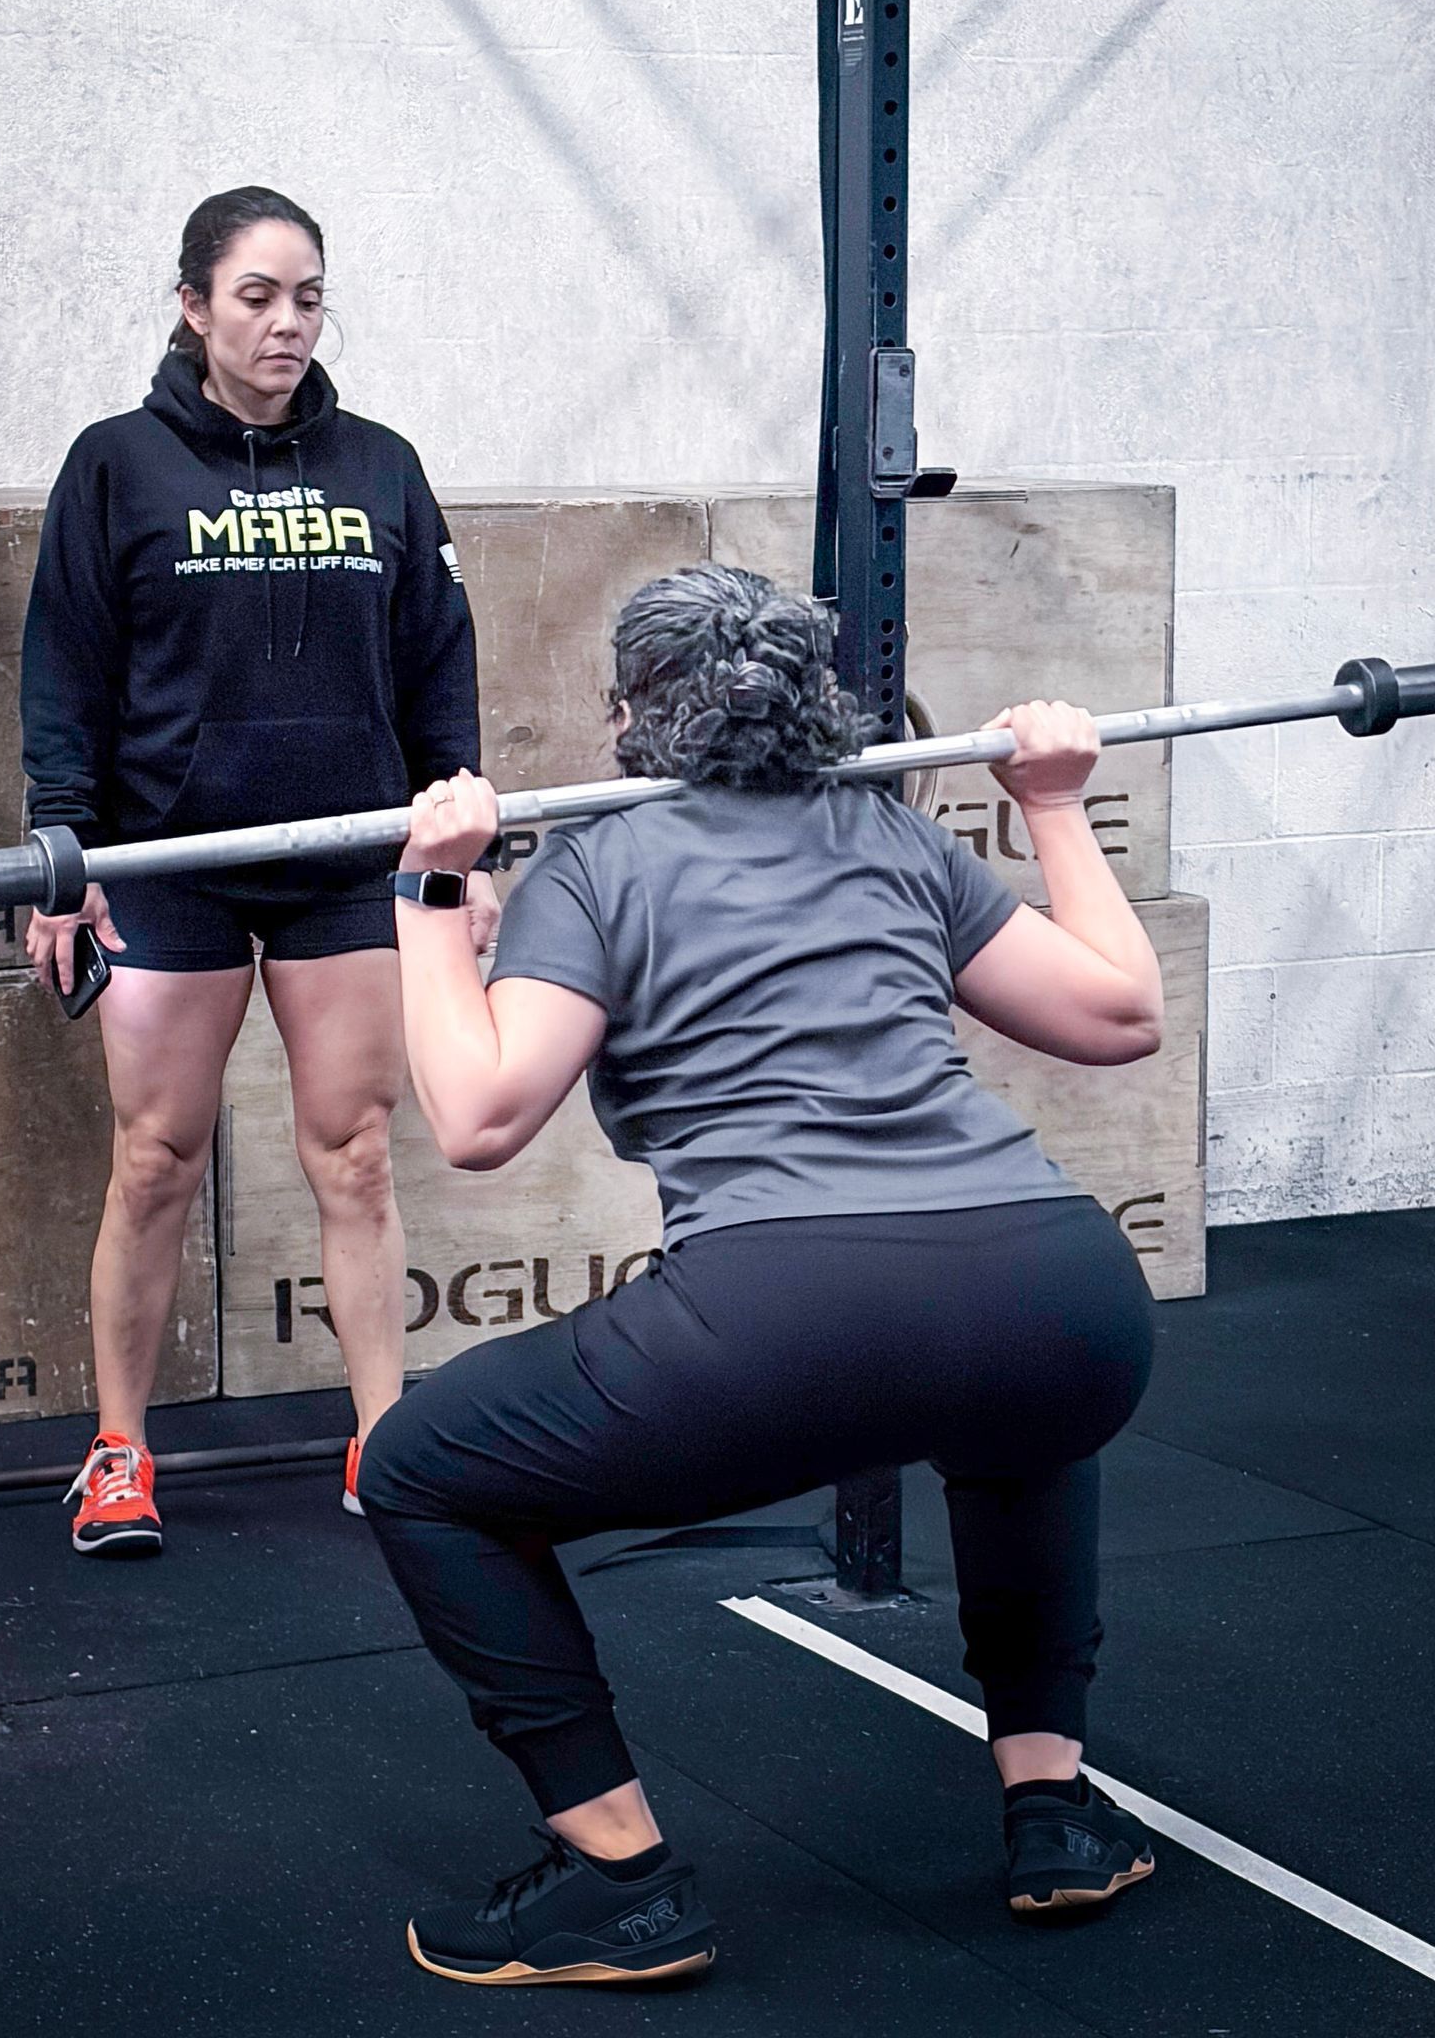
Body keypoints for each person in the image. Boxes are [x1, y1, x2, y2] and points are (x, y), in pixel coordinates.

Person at [360, 561, 1164, 1987]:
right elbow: (1118, 1013)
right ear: (817, 704)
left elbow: (481, 1118)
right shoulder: (891, 837)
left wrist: (431, 896)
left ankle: (618, 1881)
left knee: (420, 1465)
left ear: (628, 715)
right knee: (1017, 1402)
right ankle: (1055, 1810)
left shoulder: (600, 864)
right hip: (1066, 1287)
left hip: (796, 1313)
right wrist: (1051, 803)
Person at [20, 185, 499, 1557]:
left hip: (347, 859)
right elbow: (64, 669)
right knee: (156, 1157)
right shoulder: (116, 465)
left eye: (306, 297)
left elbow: (438, 669)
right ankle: (118, 1452)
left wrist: (457, 848)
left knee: (355, 1156)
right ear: (193, 306)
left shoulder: (383, 467)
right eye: (255, 296)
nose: (286, 323)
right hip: (169, 863)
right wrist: (67, 852)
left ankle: (386, 1441)